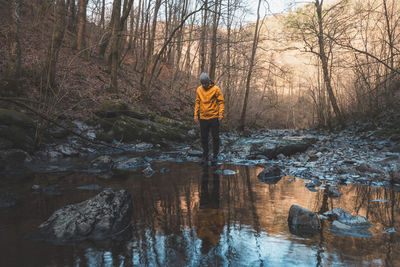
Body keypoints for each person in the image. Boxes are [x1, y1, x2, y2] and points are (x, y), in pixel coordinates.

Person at [194, 72, 224, 165]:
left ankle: (215, 156)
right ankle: (205, 156)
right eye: (202, 83)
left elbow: (221, 102)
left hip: (214, 117)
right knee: (204, 138)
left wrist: (220, 114)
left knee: (215, 137)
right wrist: (195, 115)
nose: (204, 85)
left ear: (208, 81)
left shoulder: (216, 89)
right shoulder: (199, 89)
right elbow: (197, 102)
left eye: (205, 83)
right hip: (203, 117)